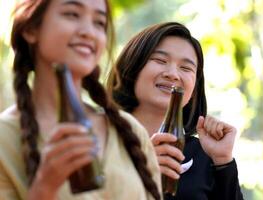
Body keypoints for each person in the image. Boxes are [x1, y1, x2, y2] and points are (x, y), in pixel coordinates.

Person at [0, 0, 161, 199]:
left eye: (99, 23)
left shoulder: (130, 131)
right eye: (72, 14)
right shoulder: (4, 138)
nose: (89, 32)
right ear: (31, 29)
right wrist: (44, 187)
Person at [107, 22, 243, 200]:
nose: (172, 74)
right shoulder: (98, 137)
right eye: (160, 60)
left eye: (186, 68)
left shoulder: (205, 154)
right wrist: (137, 173)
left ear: (194, 89)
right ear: (133, 67)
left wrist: (223, 161)